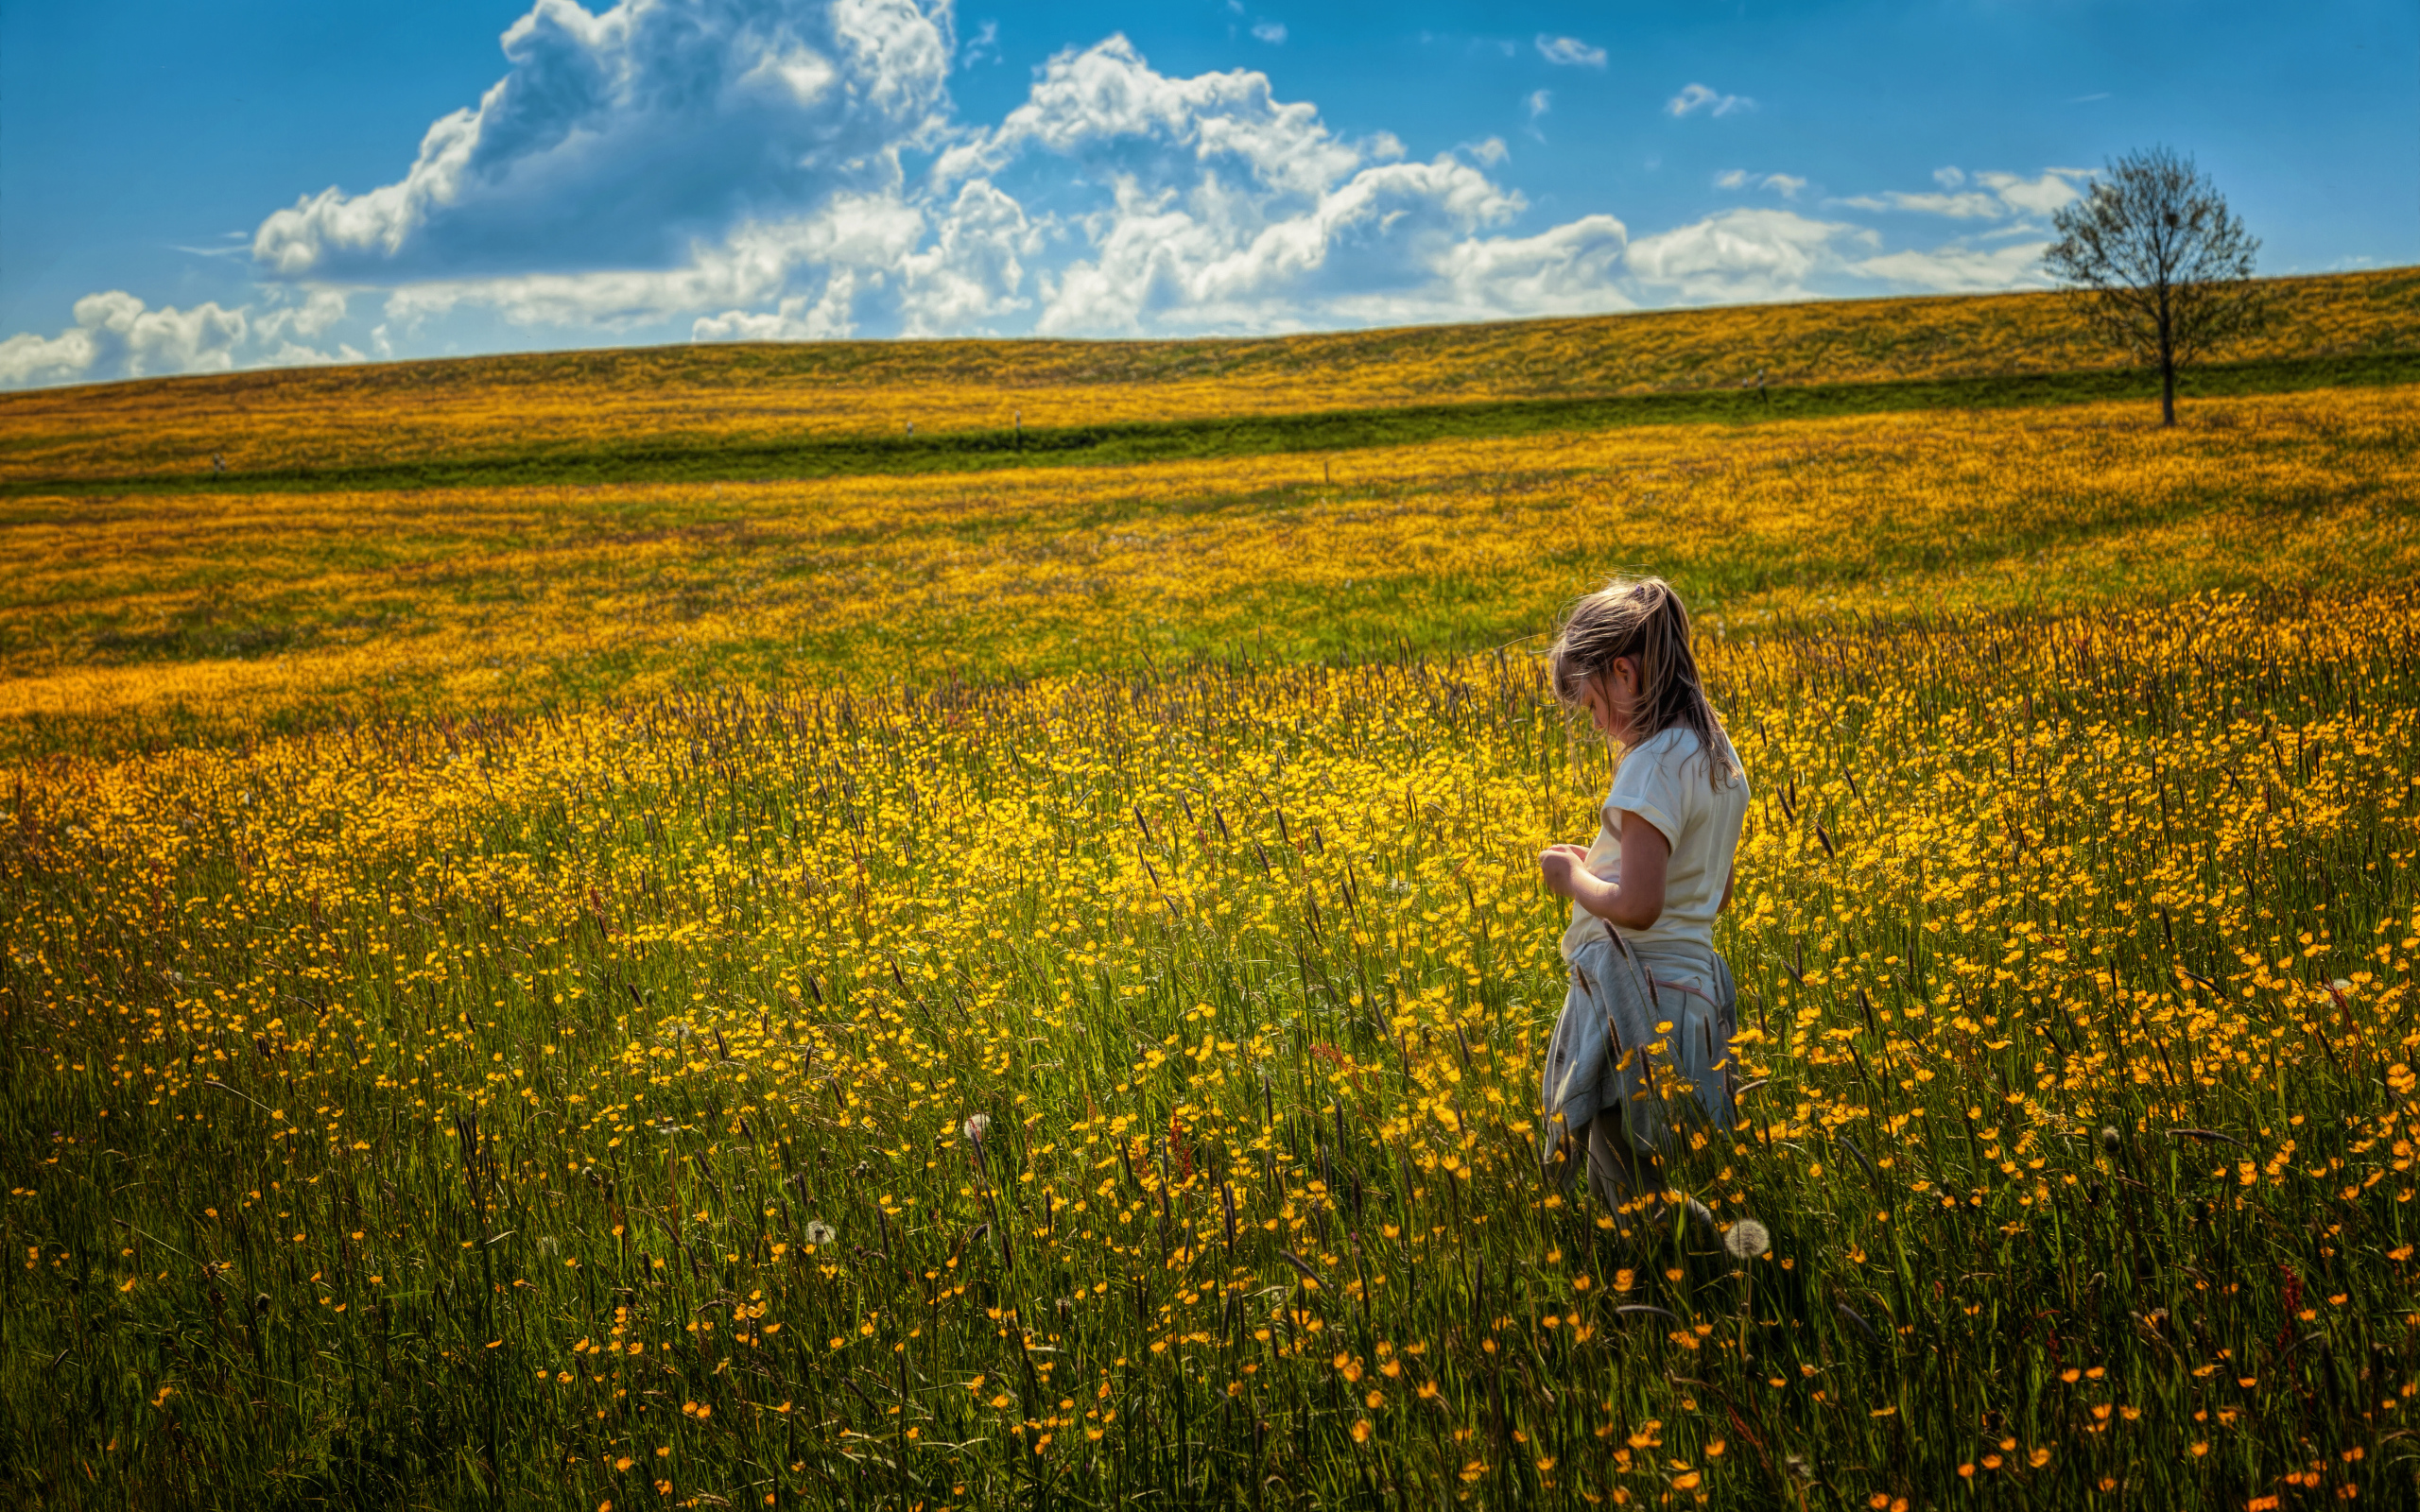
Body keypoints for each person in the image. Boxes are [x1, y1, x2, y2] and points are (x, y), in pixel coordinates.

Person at [1535, 576, 1751, 1242]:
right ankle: (1706, 1276)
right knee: (1638, 1179)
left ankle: (1720, 1270)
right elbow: (1713, 892)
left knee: (1627, 1190)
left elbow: (1637, 905)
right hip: (1693, 1000)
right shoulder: (1716, 757)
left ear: (1625, 672)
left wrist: (1573, 877)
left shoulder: (1650, 764)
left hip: (1638, 1007)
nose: (1596, 724)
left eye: (1594, 704)